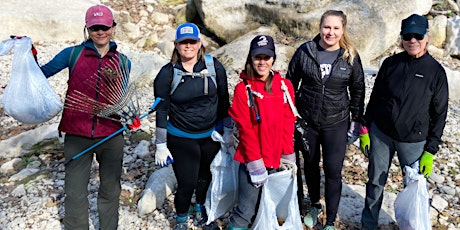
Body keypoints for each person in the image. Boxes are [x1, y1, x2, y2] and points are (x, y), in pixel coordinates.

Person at [39, 5, 131, 230]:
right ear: (87, 29)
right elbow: (40, 74)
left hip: (111, 135)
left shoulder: (123, 62)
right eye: (95, 27)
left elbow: (121, 99)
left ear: (113, 28)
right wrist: (27, 54)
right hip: (77, 134)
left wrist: (130, 118)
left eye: (105, 27)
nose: (100, 32)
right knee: (75, 192)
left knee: (110, 190)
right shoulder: (72, 54)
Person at [360, 14, 449, 230]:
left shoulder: (436, 72)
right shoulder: (390, 64)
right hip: (381, 134)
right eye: (407, 36)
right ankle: (368, 225)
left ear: (427, 37)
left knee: (414, 186)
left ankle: (413, 225)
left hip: (413, 141)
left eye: (418, 35)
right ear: (402, 38)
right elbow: (376, 98)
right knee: (374, 183)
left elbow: (440, 115)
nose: (412, 41)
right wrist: (364, 128)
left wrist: (430, 150)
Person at [286, 10, 365, 230]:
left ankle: (330, 220)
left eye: (336, 28)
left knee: (332, 171)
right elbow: (289, 85)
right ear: (320, 27)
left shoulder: (349, 56)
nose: (330, 32)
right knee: (310, 166)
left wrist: (357, 123)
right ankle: (314, 205)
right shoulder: (305, 51)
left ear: (343, 30)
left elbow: (358, 91)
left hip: (336, 122)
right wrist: (292, 117)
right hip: (307, 121)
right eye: (327, 27)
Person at [153, 22, 232, 230]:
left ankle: (201, 209)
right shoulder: (167, 73)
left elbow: (224, 101)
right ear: (176, 45)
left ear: (200, 43)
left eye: (192, 41)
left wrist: (228, 130)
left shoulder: (214, 67)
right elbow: (161, 110)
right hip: (180, 137)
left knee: (206, 176)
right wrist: (161, 144)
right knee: (187, 182)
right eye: (183, 42)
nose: (188, 46)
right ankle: (181, 219)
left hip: (210, 135)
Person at [227, 35, 297, 229]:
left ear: (273, 59)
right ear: (250, 58)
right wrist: (255, 163)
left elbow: (287, 123)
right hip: (253, 162)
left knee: (270, 209)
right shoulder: (243, 89)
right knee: (245, 210)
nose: (262, 62)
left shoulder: (285, 87)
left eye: (266, 57)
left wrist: (288, 155)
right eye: (258, 57)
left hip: (277, 159)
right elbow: (245, 129)